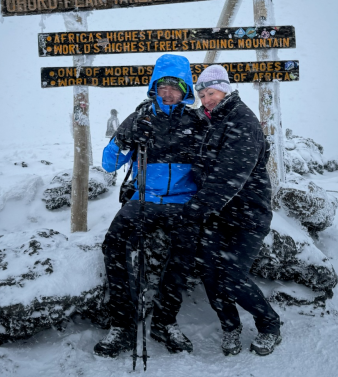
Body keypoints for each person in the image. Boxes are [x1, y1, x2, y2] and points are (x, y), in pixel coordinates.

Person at [94, 54, 204, 358]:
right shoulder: (139, 118)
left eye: (175, 86)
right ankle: (122, 323)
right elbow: (108, 163)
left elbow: (212, 162)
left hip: (182, 203)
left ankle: (165, 322)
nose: (168, 92)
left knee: (181, 258)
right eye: (162, 85)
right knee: (113, 245)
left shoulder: (196, 123)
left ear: (186, 91)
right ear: (153, 87)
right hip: (142, 199)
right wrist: (128, 140)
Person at [184, 64, 282, 356]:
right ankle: (230, 327)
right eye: (201, 95)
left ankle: (269, 324)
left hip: (248, 216)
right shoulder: (210, 121)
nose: (206, 99)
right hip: (217, 216)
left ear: (224, 90)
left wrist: (195, 209)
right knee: (210, 274)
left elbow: (230, 175)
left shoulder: (242, 121)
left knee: (232, 275)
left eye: (211, 92)